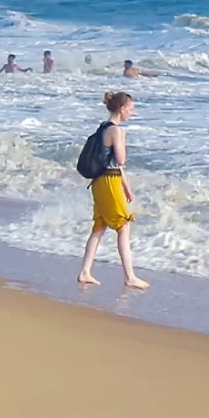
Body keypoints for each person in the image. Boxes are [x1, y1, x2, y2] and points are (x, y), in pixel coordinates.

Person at [78, 91, 148, 290]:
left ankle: (85, 272)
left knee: (100, 226)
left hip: (100, 181)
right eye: (131, 109)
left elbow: (111, 162)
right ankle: (130, 276)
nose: (132, 113)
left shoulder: (103, 127)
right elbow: (121, 160)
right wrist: (123, 139)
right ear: (122, 109)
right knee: (123, 226)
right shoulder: (116, 131)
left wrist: (126, 187)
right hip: (109, 181)